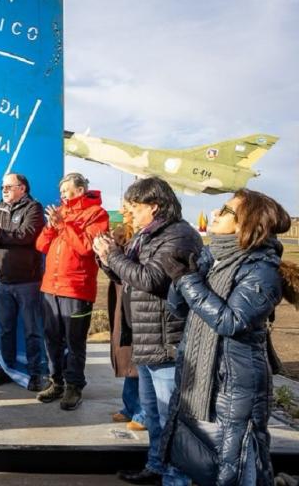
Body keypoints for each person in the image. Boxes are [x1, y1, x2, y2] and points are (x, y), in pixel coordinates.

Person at [162, 189, 296, 486]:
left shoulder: (263, 271)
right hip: (206, 376)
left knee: (238, 462)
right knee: (207, 459)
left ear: (247, 223)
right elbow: (179, 308)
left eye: (225, 211)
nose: (214, 213)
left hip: (235, 383)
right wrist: (183, 278)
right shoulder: (213, 258)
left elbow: (231, 321)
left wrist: (188, 281)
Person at [94, 176, 203, 486]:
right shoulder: (148, 234)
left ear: (153, 206)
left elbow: (151, 280)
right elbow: (126, 274)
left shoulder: (178, 236)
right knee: (153, 415)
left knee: (171, 418)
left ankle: (176, 478)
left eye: (134, 206)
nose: (129, 212)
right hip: (146, 336)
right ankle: (156, 467)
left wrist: (113, 256)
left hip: (167, 339)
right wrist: (106, 258)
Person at [35, 172, 109, 410]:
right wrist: (51, 226)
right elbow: (41, 245)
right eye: (61, 192)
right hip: (51, 287)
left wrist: (62, 225)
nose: (62, 195)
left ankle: (74, 386)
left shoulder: (97, 214)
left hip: (77, 289)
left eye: (66, 191)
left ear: (79, 190)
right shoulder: (61, 212)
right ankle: (56, 382)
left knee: (74, 341)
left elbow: (86, 248)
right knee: (52, 340)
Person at [0, 173, 47, 391]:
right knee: (6, 330)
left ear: (22, 188)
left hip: (28, 282)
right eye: (2, 187)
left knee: (32, 330)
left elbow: (27, 235)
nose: (4, 190)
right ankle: (6, 369)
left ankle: (36, 374)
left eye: (8, 186)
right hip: (3, 282)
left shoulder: (34, 208)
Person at [105, 201, 146, 431]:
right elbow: (116, 272)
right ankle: (130, 406)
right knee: (128, 353)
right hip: (124, 296)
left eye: (128, 207)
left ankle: (143, 412)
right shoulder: (123, 234)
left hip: (140, 301)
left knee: (140, 357)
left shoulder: (147, 238)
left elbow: (136, 271)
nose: (122, 212)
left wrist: (112, 256)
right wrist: (104, 256)